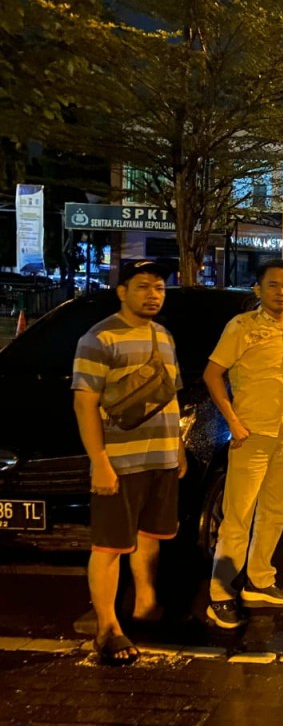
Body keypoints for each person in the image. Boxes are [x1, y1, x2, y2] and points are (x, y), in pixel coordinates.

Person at [72, 260, 186, 666]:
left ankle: (145, 604)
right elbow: (84, 404)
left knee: (149, 535)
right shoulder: (99, 338)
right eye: (143, 287)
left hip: (160, 457)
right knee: (109, 545)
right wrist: (99, 461)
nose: (153, 295)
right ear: (121, 292)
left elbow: (170, 396)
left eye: (159, 288)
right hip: (119, 462)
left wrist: (178, 448)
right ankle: (107, 628)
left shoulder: (163, 335)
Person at [204, 258, 283, 629]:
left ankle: (259, 581)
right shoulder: (242, 327)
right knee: (238, 515)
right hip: (252, 434)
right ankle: (220, 594)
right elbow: (213, 374)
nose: (282, 292)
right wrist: (233, 421)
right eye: (274, 285)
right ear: (258, 289)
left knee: (276, 510)